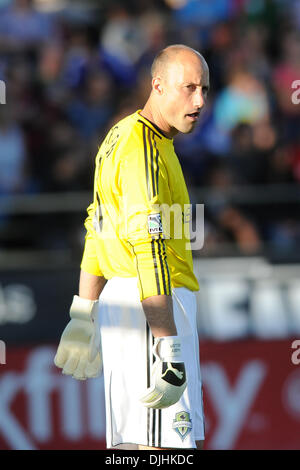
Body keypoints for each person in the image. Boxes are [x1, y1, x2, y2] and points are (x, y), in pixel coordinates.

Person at [54, 44, 210, 451]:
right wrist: (168, 347)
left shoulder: (119, 136)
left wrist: (84, 312)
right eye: (189, 88)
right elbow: (149, 249)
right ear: (157, 85)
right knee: (165, 450)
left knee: (137, 448)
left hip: (130, 304)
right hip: (153, 307)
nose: (199, 101)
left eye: (205, 89)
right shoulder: (143, 150)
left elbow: (98, 227)